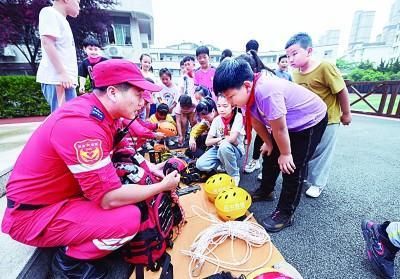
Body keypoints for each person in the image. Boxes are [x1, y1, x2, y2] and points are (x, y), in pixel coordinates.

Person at [1, 59, 180, 278]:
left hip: (60, 198)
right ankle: (70, 263)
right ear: (113, 92)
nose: (143, 101)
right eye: (138, 93)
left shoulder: (104, 113)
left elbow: (125, 149)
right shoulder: (82, 125)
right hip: (34, 215)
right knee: (129, 219)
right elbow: (109, 198)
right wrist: (162, 185)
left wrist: (152, 167)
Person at [213, 56, 327, 232]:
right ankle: (266, 190)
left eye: (231, 97)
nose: (229, 102)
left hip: (308, 121)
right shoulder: (245, 96)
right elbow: (257, 122)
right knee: (270, 154)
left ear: (247, 85)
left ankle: (285, 212)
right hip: (284, 123)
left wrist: (286, 153)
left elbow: (280, 129)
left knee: (292, 166)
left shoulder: (266, 91)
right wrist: (268, 143)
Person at [285, 32, 352, 198]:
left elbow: (341, 90)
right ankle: (307, 179)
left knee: (322, 152)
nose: (291, 59)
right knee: (309, 150)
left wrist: (346, 113)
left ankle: (318, 183)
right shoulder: (295, 74)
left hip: (329, 119)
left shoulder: (325, 67)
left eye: (294, 54)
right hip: (308, 121)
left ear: (309, 51)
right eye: (288, 56)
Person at [36, 0, 80, 112]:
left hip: (65, 80)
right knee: (64, 120)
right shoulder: (49, 12)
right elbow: (47, 43)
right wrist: (62, 73)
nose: (79, 6)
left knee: (68, 119)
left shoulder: (62, 20)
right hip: (58, 80)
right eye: (78, 1)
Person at [196, 95, 245, 186]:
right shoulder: (216, 120)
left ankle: (234, 174)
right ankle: (224, 164)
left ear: (233, 106)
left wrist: (221, 141)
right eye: (219, 106)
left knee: (224, 146)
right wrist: (221, 139)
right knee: (200, 165)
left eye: (225, 106)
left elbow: (233, 139)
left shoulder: (238, 117)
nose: (221, 109)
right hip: (219, 148)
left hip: (235, 149)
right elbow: (207, 142)